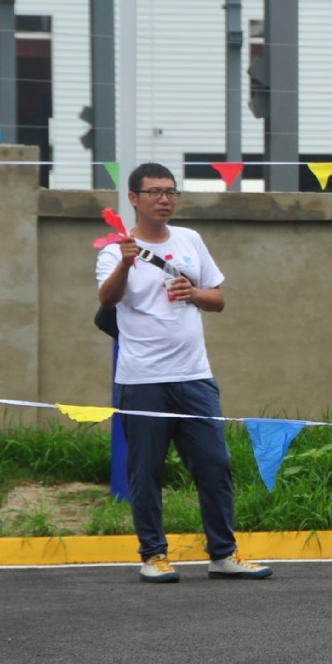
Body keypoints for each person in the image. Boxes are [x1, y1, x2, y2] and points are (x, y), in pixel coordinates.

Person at [96, 162, 273, 584]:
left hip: (195, 377)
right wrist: (125, 264)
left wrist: (193, 293)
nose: (164, 199)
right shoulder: (114, 251)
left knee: (215, 465)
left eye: (171, 192)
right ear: (134, 198)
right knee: (146, 471)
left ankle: (223, 554)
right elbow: (107, 299)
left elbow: (218, 299)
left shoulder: (190, 240)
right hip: (142, 380)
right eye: (154, 192)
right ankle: (153, 555)